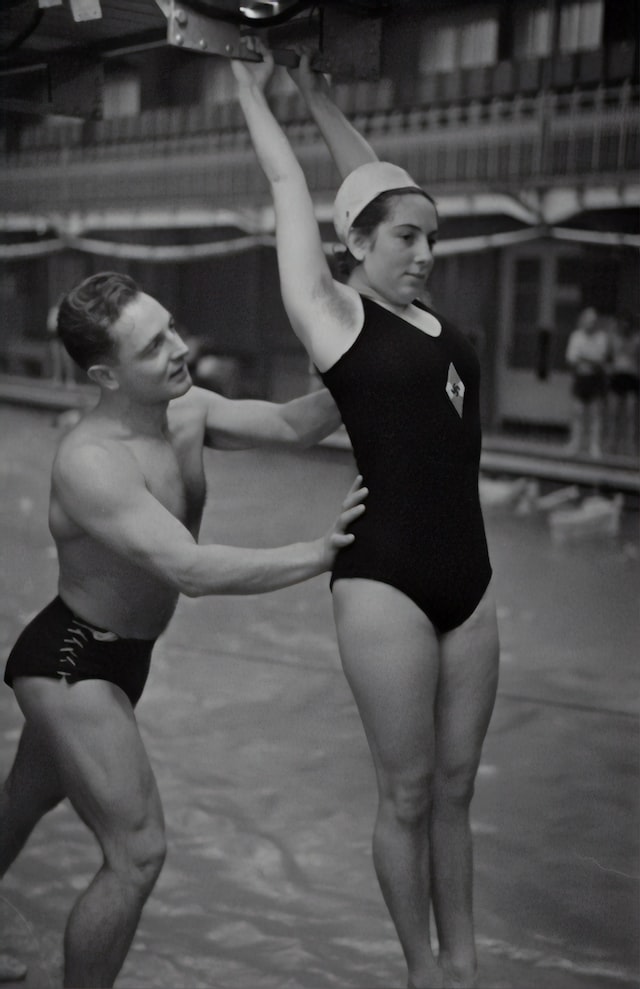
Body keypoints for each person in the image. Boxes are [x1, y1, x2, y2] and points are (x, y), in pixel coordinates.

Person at [0, 270, 367, 989]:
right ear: (106, 373)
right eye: (151, 346)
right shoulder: (91, 462)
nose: (177, 347)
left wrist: (368, 360)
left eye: (170, 327)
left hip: (120, 657)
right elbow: (190, 569)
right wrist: (318, 553)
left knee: (23, 799)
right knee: (137, 852)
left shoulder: (188, 409)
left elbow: (296, 424)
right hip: (74, 662)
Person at [232, 48, 500, 989]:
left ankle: (466, 966)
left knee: (459, 790)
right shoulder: (335, 315)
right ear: (357, 247)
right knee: (409, 790)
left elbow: (369, 181)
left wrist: (318, 92)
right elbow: (289, 184)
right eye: (406, 241)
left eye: (430, 237)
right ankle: (424, 969)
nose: (425, 253)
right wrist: (247, 88)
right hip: (385, 578)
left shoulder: (426, 313)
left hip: (471, 582)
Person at [565, 307, 610, 457]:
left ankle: (594, 446)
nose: (591, 324)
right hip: (581, 378)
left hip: (595, 379)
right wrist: (589, 359)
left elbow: (601, 360)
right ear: (583, 321)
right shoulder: (576, 336)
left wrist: (584, 358)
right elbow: (571, 359)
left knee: (595, 414)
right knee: (577, 413)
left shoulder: (601, 337)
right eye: (589, 321)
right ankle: (575, 444)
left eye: (594, 321)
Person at [607, 312, 639, 456]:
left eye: (628, 325)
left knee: (630, 414)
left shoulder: (637, 340)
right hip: (617, 377)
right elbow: (609, 357)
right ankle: (613, 444)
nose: (625, 327)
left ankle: (630, 445)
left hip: (631, 377)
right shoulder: (614, 339)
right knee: (614, 413)